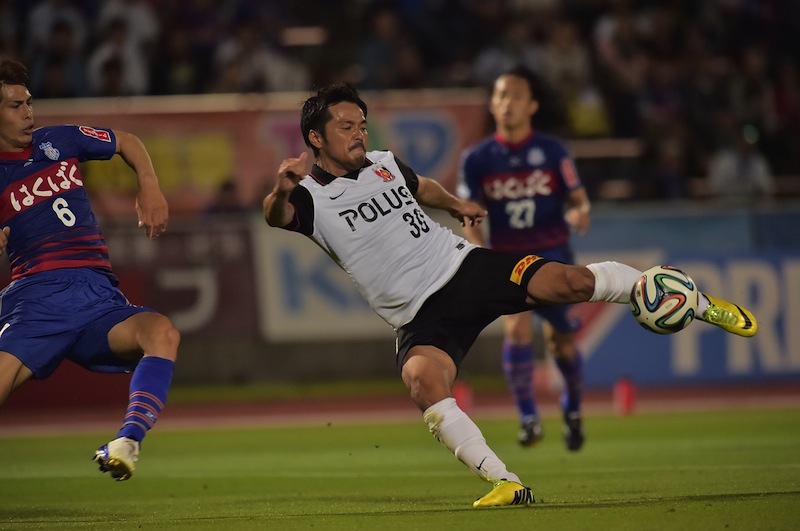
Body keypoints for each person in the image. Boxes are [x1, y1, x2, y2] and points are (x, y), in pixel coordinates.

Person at [262, 83, 757, 508]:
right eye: (346, 126)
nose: (359, 133)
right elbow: (275, 216)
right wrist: (283, 190)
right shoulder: (308, 197)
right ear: (315, 137)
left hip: (463, 266)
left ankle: (698, 304)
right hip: (417, 313)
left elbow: (422, 187)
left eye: (362, 124)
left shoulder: (384, 164)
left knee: (571, 283)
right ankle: (506, 482)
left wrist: (456, 204)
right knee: (421, 381)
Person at [0, 59, 179, 481]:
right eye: (14, 106)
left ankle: (127, 441)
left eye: (29, 102)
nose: (28, 113)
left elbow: (127, 142)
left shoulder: (57, 140)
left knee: (162, 333)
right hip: (36, 299)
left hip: (98, 298)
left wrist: (148, 185)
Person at [457, 65, 591, 451]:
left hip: (553, 255)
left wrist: (580, 211)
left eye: (515, 96)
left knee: (560, 344)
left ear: (532, 105)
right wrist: (477, 249)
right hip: (509, 258)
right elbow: (469, 210)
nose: (506, 103)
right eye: (500, 95)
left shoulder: (552, 151)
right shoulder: (477, 158)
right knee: (516, 330)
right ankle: (529, 416)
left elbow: (579, 197)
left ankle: (573, 409)